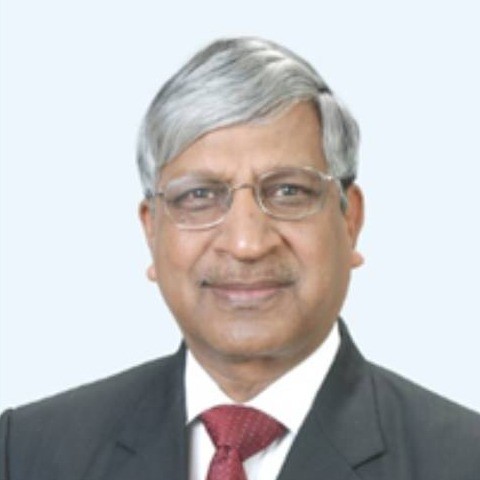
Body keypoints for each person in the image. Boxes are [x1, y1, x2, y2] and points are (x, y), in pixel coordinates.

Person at [1, 37, 479, 480]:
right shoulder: (28, 452)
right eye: (199, 196)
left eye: (288, 191)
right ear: (151, 231)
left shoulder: (462, 459)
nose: (247, 244)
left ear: (349, 220)